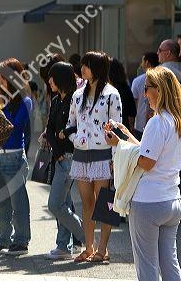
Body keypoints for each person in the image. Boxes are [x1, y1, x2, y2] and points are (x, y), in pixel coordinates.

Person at [105, 66, 181, 280]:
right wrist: (126, 136)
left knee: (147, 266)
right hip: (171, 200)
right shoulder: (176, 122)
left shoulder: (157, 122)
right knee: (169, 263)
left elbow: (146, 162)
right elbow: (150, 152)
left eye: (147, 88)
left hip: (149, 202)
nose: (144, 94)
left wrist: (119, 146)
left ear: (160, 90)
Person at [67, 51, 122, 263]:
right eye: (82, 65)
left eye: (87, 65)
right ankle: (88, 248)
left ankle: (102, 249)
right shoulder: (77, 95)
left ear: (98, 68)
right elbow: (70, 124)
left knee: (104, 203)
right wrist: (75, 139)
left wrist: (115, 159)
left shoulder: (112, 94)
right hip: (81, 155)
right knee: (86, 203)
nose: (83, 69)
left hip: (103, 155)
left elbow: (118, 129)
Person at [0, 58, 32, 256]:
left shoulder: (25, 100)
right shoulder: (0, 100)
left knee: (18, 202)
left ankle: (21, 241)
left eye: (3, 78)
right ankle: (3, 239)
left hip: (14, 157)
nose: (0, 82)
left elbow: (14, 126)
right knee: (1, 204)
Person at [44, 62, 85, 260]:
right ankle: (63, 246)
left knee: (55, 205)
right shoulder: (56, 100)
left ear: (61, 78)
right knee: (63, 205)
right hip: (59, 157)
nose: (49, 81)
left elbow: (76, 129)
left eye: (52, 77)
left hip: (69, 158)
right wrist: (57, 148)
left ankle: (85, 236)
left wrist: (60, 146)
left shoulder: (75, 100)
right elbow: (49, 130)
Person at [131, 52, 159, 140]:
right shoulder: (163, 79)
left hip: (141, 124)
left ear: (147, 62)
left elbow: (133, 104)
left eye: (142, 61)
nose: (145, 94)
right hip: (151, 123)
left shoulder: (138, 80)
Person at [109, 58, 136, 131]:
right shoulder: (125, 88)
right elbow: (131, 112)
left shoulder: (105, 90)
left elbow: (131, 112)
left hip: (114, 130)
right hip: (123, 129)